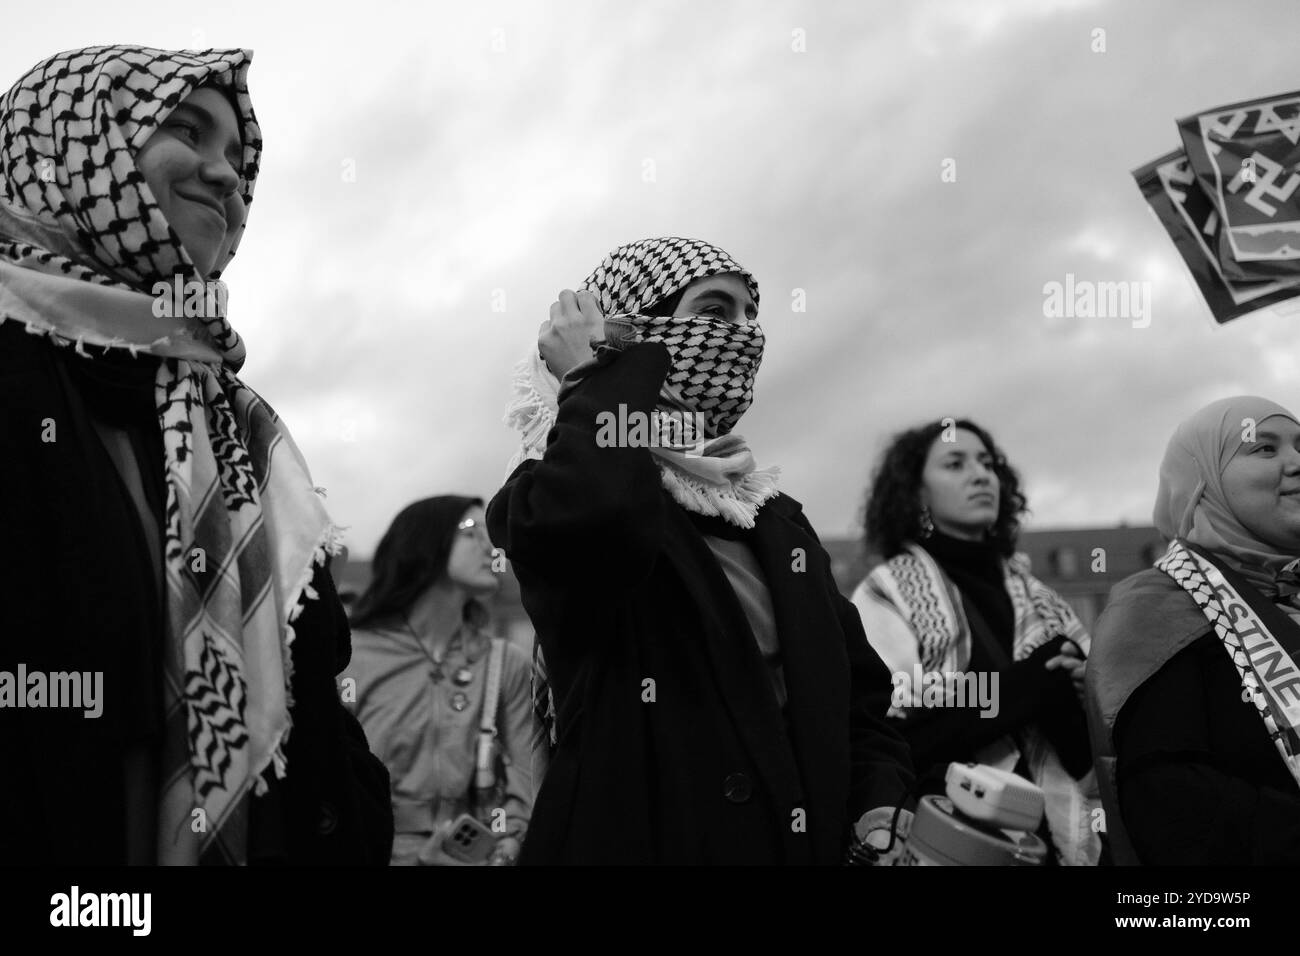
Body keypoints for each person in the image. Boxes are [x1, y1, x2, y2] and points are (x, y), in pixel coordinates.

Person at [0, 45, 392, 865]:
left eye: (240, 161)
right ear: (68, 148)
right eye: (187, 130)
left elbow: (319, 698)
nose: (227, 177)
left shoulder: (235, 419)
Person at [489, 236, 914, 865]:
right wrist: (594, 377)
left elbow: (858, 701)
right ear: (624, 330)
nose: (743, 335)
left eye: (749, 316)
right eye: (715, 312)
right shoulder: (545, 491)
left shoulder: (771, 517)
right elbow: (599, 518)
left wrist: (879, 802)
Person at [851, 418, 1101, 865]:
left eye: (987, 463)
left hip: (1056, 844)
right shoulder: (887, 591)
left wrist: (1086, 686)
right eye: (955, 463)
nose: (981, 474)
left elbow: (1094, 746)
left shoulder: (1042, 597)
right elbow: (882, 731)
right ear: (916, 493)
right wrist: (1032, 685)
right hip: (946, 842)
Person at [1088, 396, 1300, 865]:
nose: (1296, 462)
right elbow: (1171, 808)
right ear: (1201, 483)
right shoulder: (1153, 609)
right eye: (1265, 449)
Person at [343, 496, 535, 866]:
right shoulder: (351, 657)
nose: (490, 545)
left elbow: (523, 780)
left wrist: (507, 846)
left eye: (489, 532)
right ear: (423, 542)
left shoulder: (504, 662)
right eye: (470, 531)